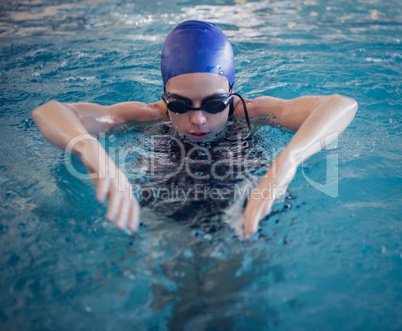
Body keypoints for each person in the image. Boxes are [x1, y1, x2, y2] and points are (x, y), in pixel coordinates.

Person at [32, 20, 357, 239]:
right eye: (180, 105)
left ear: (231, 94)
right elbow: (49, 111)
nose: (198, 119)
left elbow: (341, 104)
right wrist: (93, 153)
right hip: (165, 210)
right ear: (165, 98)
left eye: (215, 104)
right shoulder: (149, 116)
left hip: (245, 205)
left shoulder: (249, 112)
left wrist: (285, 164)